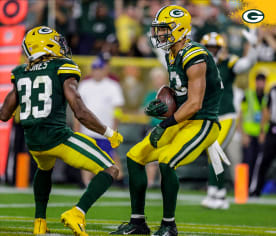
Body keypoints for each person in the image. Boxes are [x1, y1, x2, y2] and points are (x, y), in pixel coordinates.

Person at [0, 26, 123, 236]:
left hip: (34, 143)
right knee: (110, 169)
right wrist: (108, 132)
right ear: (47, 45)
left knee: (44, 169)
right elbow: (80, 111)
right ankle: (77, 212)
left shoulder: (20, 72)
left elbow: (3, 114)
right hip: (57, 138)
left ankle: (39, 222)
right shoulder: (62, 66)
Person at [110, 6, 223, 236]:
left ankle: (169, 225)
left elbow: (194, 104)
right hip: (181, 121)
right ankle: (138, 222)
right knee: (134, 157)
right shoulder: (172, 53)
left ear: (180, 29)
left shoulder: (195, 55)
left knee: (166, 161)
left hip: (202, 123)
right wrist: (164, 106)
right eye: (159, 29)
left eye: (164, 29)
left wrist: (164, 124)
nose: (159, 34)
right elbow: (180, 94)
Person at [200, 30, 258, 209]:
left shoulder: (228, 62)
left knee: (215, 151)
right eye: (208, 47)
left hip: (227, 116)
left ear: (221, 48)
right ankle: (220, 195)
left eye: (214, 48)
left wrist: (253, 46)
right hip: (211, 117)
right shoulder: (200, 65)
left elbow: (246, 65)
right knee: (214, 154)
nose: (212, 51)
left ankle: (213, 192)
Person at [76, 57, 125, 187]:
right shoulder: (85, 85)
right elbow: (78, 108)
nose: (97, 72)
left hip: (105, 129)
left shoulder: (112, 86)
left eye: (99, 69)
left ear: (104, 70)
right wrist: (76, 129)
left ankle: (118, 179)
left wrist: (114, 128)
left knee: (110, 156)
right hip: (87, 129)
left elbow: (118, 109)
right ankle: (86, 182)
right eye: (94, 69)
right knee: (86, 156)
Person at [239, 73, 267, 193]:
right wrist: (243, 134)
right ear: (255, 82)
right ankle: (242, 190)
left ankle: (253, 190)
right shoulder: (248, 95)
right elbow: (240, 116)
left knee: (257, 164)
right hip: (249, 135)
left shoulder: (267, 97)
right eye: (259, 81)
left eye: (263, 81)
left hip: (261, 136)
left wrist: (263, 134)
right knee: (246, 162)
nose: (260, 84)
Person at [251, 84, 276, 196]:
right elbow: (266, 110)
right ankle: (256, 190)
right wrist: (262, 130)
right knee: (263, 161)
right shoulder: (273, 90)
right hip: (273, 129)